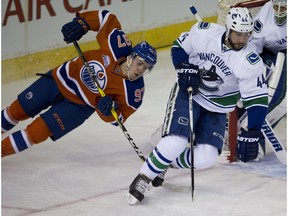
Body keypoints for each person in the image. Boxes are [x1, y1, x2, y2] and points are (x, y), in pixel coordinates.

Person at [125, 7, 268, 205]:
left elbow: (258, 100)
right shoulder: (204, 32)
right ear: (227, 29)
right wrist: (183, 66)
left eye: (246, 35)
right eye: (238, 34)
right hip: (190, 93)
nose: (242, 40)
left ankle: (164, 162)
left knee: (207, 157)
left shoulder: (250, 62)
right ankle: (143, 177)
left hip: (217, 107)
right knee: (175, 142)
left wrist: (253, 130)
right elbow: (179, 47)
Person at [1, 10, 157, 157]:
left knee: (35, 133)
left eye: (146, 68)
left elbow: (119, 119)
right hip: (62, 78)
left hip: (79, 107)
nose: (141, 69)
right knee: (16, 111)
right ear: (131, 57)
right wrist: (83, 23)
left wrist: (107, 112)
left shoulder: (134, 94)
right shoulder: (117, 46)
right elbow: (106, 18)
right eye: (140, 63)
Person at [250, 0, 287, 128]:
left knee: (284, 100)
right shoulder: (265, 17)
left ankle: (263, 128)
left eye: (283, 9)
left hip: (284, 54)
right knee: (270, 91)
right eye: (276, 7)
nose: (278, 12)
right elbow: (254, 45)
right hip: (269, 53)